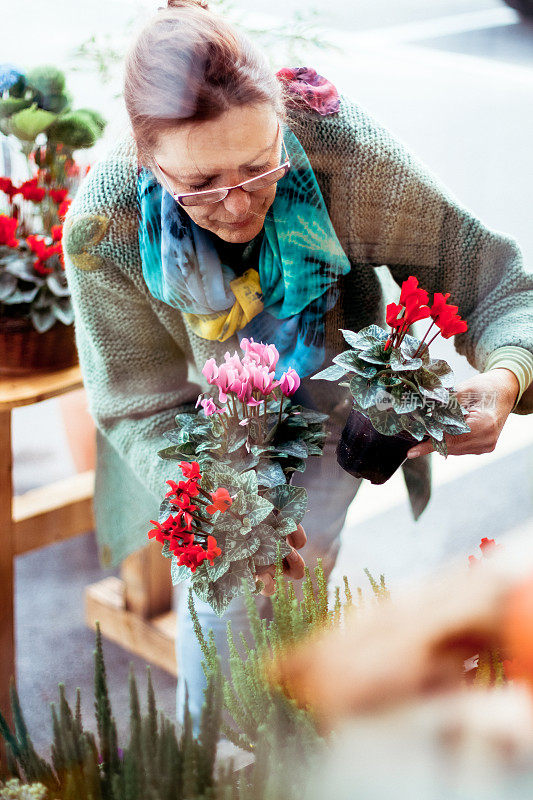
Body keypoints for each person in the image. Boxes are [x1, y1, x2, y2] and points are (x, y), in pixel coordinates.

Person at [63, 0, 533, 728]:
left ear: (283, 121)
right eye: (200, 185)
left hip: (330, 401)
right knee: (225, 614)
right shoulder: (107, 220)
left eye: (258, 167)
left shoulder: (334, 143)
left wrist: (504, 378)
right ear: (148, 159)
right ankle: (218, 753)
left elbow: (492, 278)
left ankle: (292, 734)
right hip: (203, 430)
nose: (237, 203)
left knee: (302, 574)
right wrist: (223, 511)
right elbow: (138, 403)